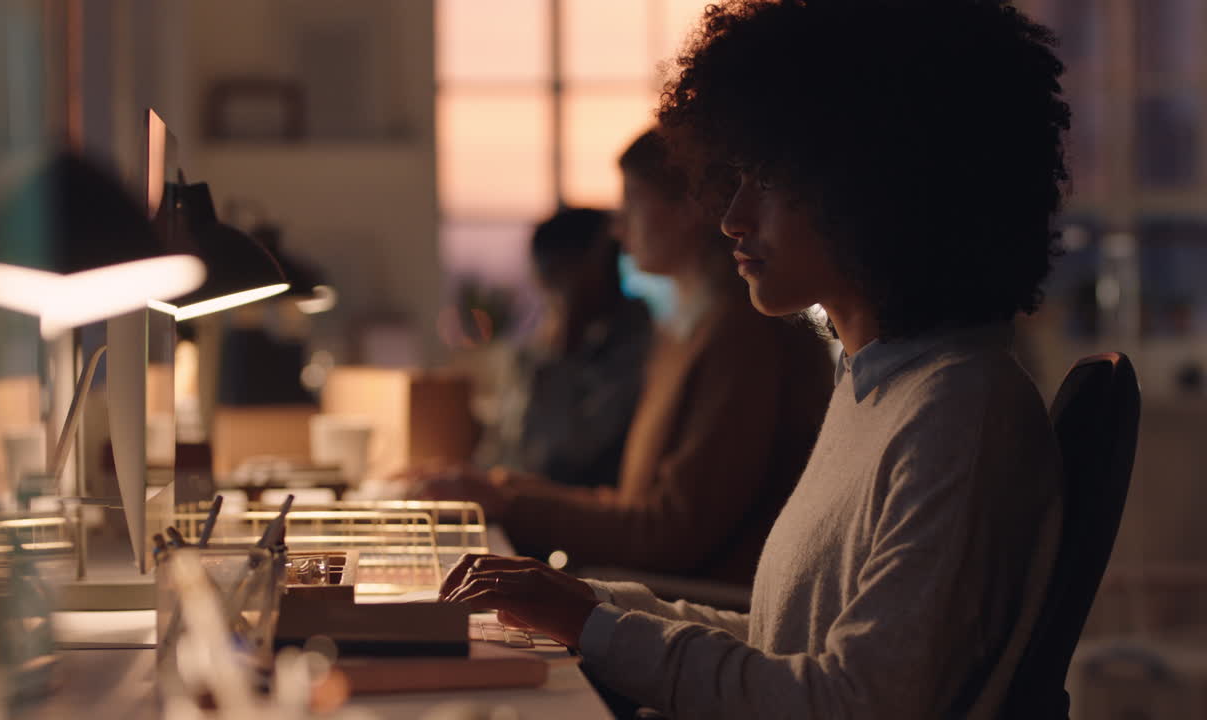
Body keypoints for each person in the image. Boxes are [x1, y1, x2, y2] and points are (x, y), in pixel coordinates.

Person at [436, 1, 1070, 717]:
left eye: (768, 178)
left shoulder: (959, 415)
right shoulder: (879, 384)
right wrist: (589, 605)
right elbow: (782, 644)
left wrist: (593, 623)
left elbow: (851, 701)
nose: (731, 216)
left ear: (878, 187)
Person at [412, 129, 835, 585]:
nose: (617, 226)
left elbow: (670, 535)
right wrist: (499, 490)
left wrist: (508, 502)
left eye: (632, 199)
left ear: (688, 208)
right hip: (668, 596)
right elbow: (644, 511)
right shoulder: (687, 330)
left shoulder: (741, 337)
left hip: (704, 611)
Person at [477, 207, 652, 490]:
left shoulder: (636, 344)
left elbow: (562, 457)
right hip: (525, 503)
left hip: (577, 512)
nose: (552, 300)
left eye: (557, 279)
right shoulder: (541, 343)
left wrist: (564, 352)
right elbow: (506, 447)